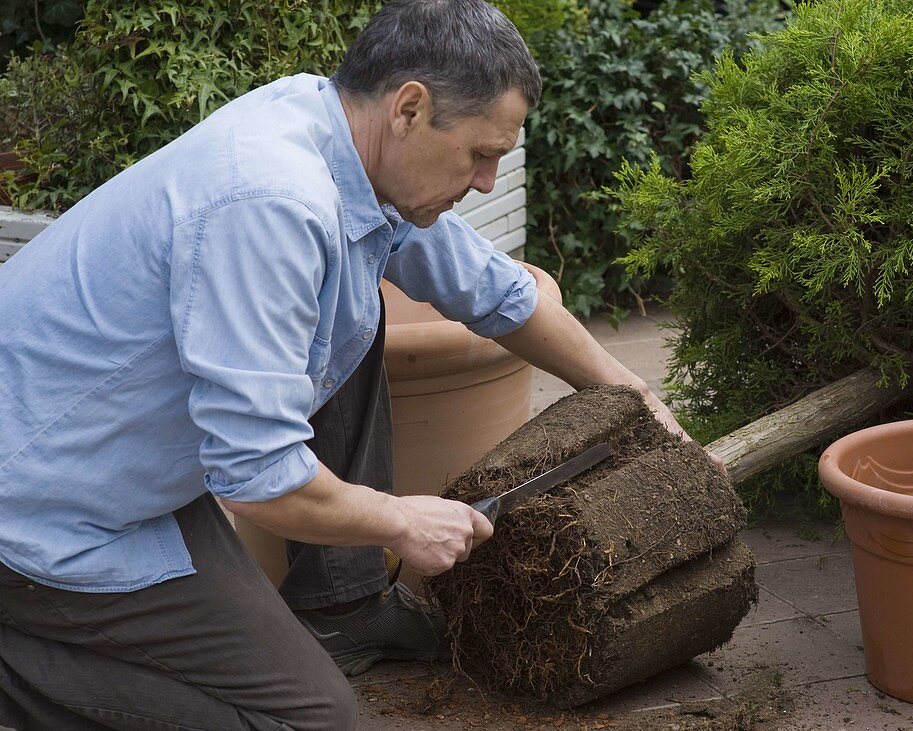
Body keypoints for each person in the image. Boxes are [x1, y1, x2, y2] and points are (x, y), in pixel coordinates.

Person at [0, 1, 694, 728]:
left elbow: (494, 291)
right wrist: (399, 520)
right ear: (410, 109)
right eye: (481, 153)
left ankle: (341, 606)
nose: (489, 180)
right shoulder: (271, 203)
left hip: (123, 471)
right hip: (44, 509)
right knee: (313, 720)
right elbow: (257, 478)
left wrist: (632, 394)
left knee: (349, 312)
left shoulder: (342, 140)